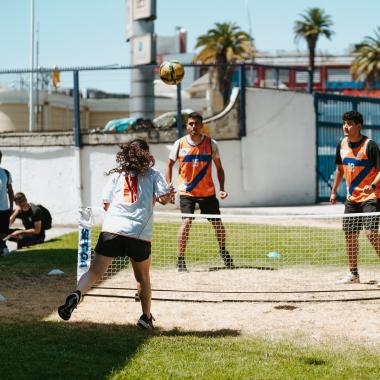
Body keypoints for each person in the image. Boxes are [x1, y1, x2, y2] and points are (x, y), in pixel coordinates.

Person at [58, 139, 174, 329]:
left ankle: (77, 293)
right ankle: (145, 317)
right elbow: (163, 199)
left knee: (94, 272)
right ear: (146, 154)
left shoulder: (117, 176)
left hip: (112, 229)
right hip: (138, 234)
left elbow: (106, 204)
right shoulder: (154, 174)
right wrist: (167, 196)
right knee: (142, 277)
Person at [166, 111, 233, 272]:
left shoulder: (211, 144)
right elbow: (168, 165)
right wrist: (169, 185)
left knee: (217, 224)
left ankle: (223, 251)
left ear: (202, 125)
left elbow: (219, 168)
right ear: (187, 126)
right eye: (191, 123)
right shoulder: (179, 144)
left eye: (196, 123)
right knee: (186, 222)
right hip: (187, 192)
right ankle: (180, 260)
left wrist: (222, 189)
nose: (193, 126)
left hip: (207, 192)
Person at [330, 111, 380, 284]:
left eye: (350, 123)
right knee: (350, 236)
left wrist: (372, 185)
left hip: (371, 196)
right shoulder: (341, 144)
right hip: (352, 199)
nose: (346, 126)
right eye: (344, 123)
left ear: (359, 126)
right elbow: (339, 169)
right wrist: (334, 191)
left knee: (371, 233)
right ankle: (353, 274)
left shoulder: (370, 145)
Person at [0, 151, 14, 256]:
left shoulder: (6, 173)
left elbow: (10, 190)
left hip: (4, 208)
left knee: (4, 230)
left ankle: (3, 247)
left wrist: (12, 206)